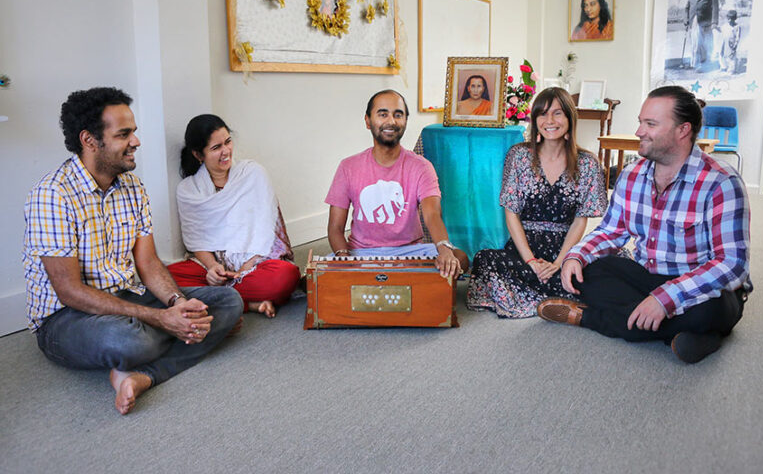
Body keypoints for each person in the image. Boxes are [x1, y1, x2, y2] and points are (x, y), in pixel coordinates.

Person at [22, 88, 242, 415]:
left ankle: (141, 376)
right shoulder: (52, 196)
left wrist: (177, 305)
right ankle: (180, 336)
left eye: (134, 132)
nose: (136, 141)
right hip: (66, 318)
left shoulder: (133, 186)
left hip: (128, 296)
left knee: (228, 301)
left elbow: (149, 262)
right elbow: (69, 292)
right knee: (134, 341)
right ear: (90, 139)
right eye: (124, 134)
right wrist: (162, 319)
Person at [537, 86, 751, 364]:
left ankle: (590, 318)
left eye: (650, 124)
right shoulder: (631, 175)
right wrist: (577, 255)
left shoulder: (721, 182)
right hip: (646, 277)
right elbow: (610, 231)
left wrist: (667, 298)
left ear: (682, 130)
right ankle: (692, 334)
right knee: (585, 274)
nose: (639, 131)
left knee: (715, 308)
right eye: (640, 122)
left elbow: (732, 263)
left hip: (697, 285)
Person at [467, 88, 607, 318]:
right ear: (534, 120)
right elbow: (511, 213)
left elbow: (580, 221)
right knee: (484, 260)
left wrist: (561, 262)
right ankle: (562, 297)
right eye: (542, 114)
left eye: (557, 113)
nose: (549, 121)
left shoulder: (587, 163)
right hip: (524, 250)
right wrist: (531, 261)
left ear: (571, 119)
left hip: (566, 250)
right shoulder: (519, 155)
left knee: (611, 262)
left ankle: (552, 291)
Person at [326, 89, 469, 278]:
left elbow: (432, 214)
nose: (391, 121)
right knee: (315, 275)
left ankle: (389, 279)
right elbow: (335, 228)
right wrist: (343, 258)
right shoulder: (348, 167)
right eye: (383, 114)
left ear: (405, 121)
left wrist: (444, 249)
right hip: (361, 254)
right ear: (368, 121)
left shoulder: (422, 166)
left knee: (459, 258)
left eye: (398, 115)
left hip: (410, 253)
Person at [168, 114, 300, 319]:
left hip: (255, 263)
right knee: (165, 279)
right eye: (216, 148)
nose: (226, 151)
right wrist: (212, 269)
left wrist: (250, 263)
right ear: (198, 155)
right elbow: (196, 241)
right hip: (214, 266)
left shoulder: (253, 173)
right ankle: (250, 303)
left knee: (286, 276)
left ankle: (221, 299)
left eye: (228, 142)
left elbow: (269, 231)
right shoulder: (189, 190)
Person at [684, 0, 719, 71]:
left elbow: (715, 9)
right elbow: (686, 8)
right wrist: (685, 19)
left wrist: (714, 22)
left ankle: (704, 64)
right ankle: (695, 64)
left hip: (705, 23)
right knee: (695, 44)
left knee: (704, 45)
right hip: (693, 22)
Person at [719, 9, 741, 74]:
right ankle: (723, 67)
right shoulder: (725, 25)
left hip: (731, 43)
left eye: (732, 19)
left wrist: (735, 45)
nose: (730, 20)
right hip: (724, 42)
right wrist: (715, 27)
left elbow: (738, 37)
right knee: (721, 54)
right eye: (728, 19)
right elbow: (721, 30)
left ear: (735, 19)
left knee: (731, 56)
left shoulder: (737, 27)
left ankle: (731, 69)